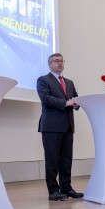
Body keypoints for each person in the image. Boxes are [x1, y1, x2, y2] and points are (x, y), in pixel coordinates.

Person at [36, 53, 84, 201]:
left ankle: (67, 188)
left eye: (62, 61)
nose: (60, 63)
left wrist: (76, 103)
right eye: (56, 61)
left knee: (66, 160)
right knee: (52, 160)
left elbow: (74, 98)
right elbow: (46, 98)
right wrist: (66, 103)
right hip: (51, 126)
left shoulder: (69, 82)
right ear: (49, 64)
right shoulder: (43, 80)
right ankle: (53, 190)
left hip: (68, 125)